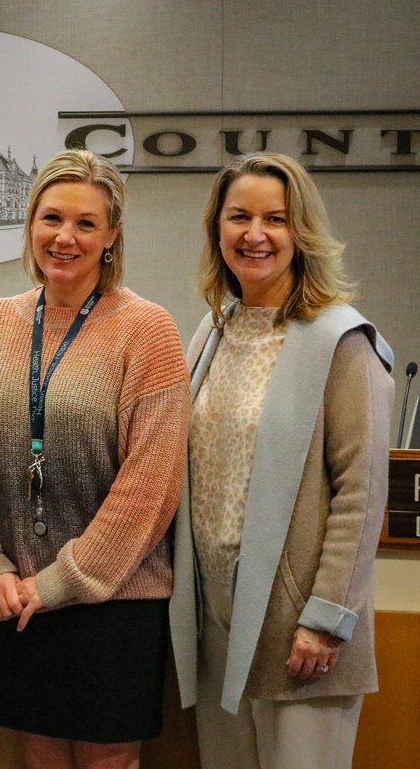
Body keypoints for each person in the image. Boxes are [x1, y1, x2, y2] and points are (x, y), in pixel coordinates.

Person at [0, 149, 190, 768]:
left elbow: (151, 486)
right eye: (51, 218)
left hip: (112, 603)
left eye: (86, 223)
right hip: (13, 595)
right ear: (30, 224)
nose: (65, 237)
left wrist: (62, 581)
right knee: (39, 762)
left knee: (109, 764)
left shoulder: (148, 331)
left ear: (112, 236)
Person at [169, 153, 393, 769]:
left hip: (301, 633)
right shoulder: (211, 332)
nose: (256, 234)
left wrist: (327, 617)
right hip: (218, 620)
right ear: (218, 229)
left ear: (303, 233)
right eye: (239, 216)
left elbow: (362, 490)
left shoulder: (342, 341)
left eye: (276, 218)